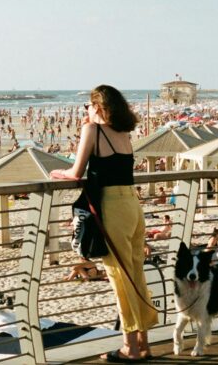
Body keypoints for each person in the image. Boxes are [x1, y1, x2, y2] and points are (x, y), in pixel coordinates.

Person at [50, 85, 156, 361]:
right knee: (135, 275)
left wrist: (56, 171)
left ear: (98, 106)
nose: (86, 109)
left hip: (112, 207)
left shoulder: (93, 131)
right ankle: (143, 343)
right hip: (132, 205)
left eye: (88, 105)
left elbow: (76, 172)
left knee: (119, 276)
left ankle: (130, 347)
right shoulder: (123, 133)